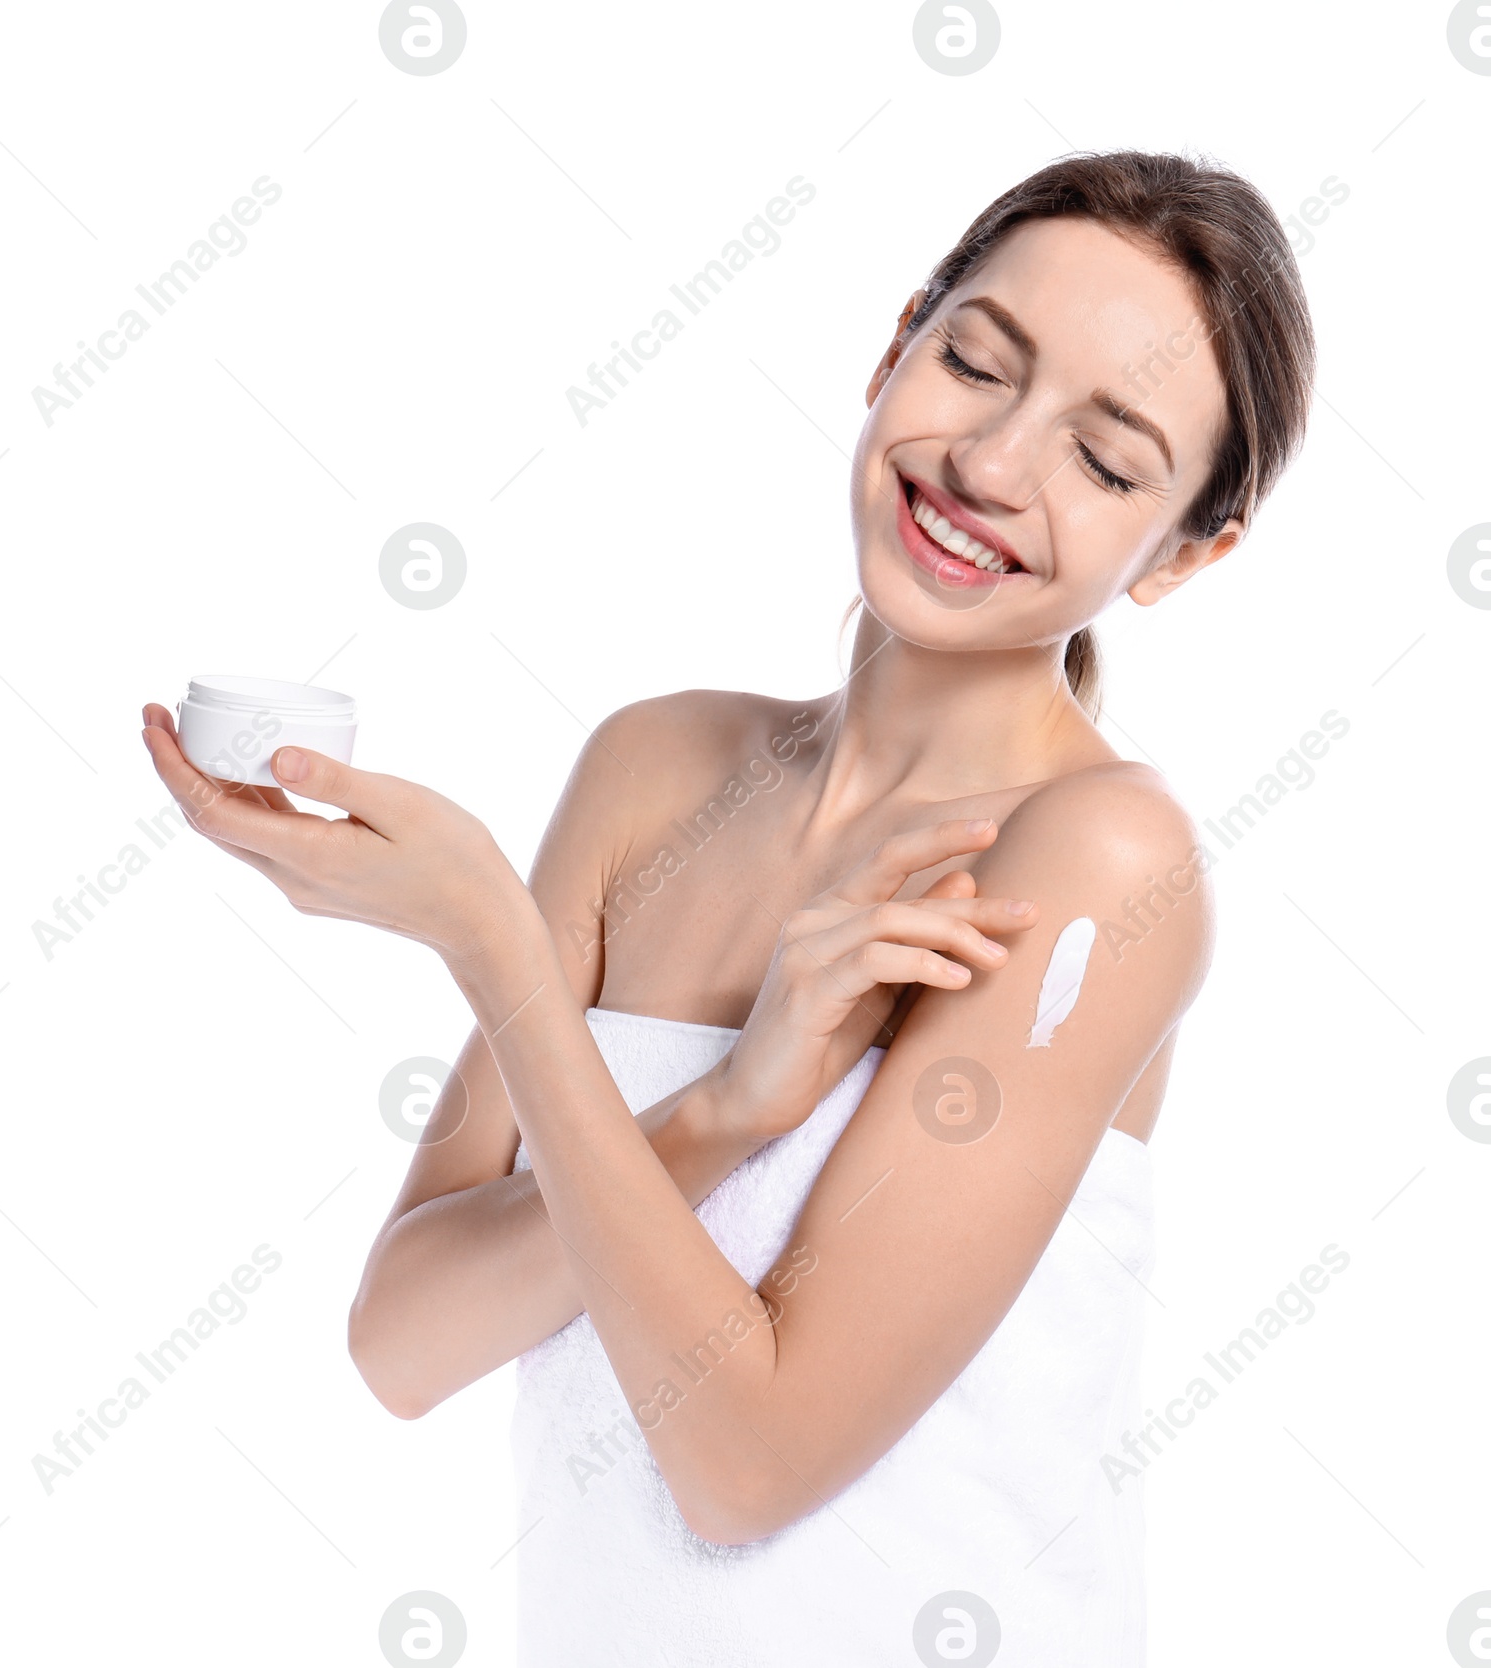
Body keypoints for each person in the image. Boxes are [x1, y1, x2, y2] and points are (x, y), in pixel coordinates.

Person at [141, 147, 1316, 1666]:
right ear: (897, 343)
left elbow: (745, 1467)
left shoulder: (1095, 859)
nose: (994, 466)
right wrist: (731, 1107)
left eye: (1106, 461)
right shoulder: (655, 767)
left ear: (1188, 553)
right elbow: (405, 1345)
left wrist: (498, 947)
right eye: (975, 362)